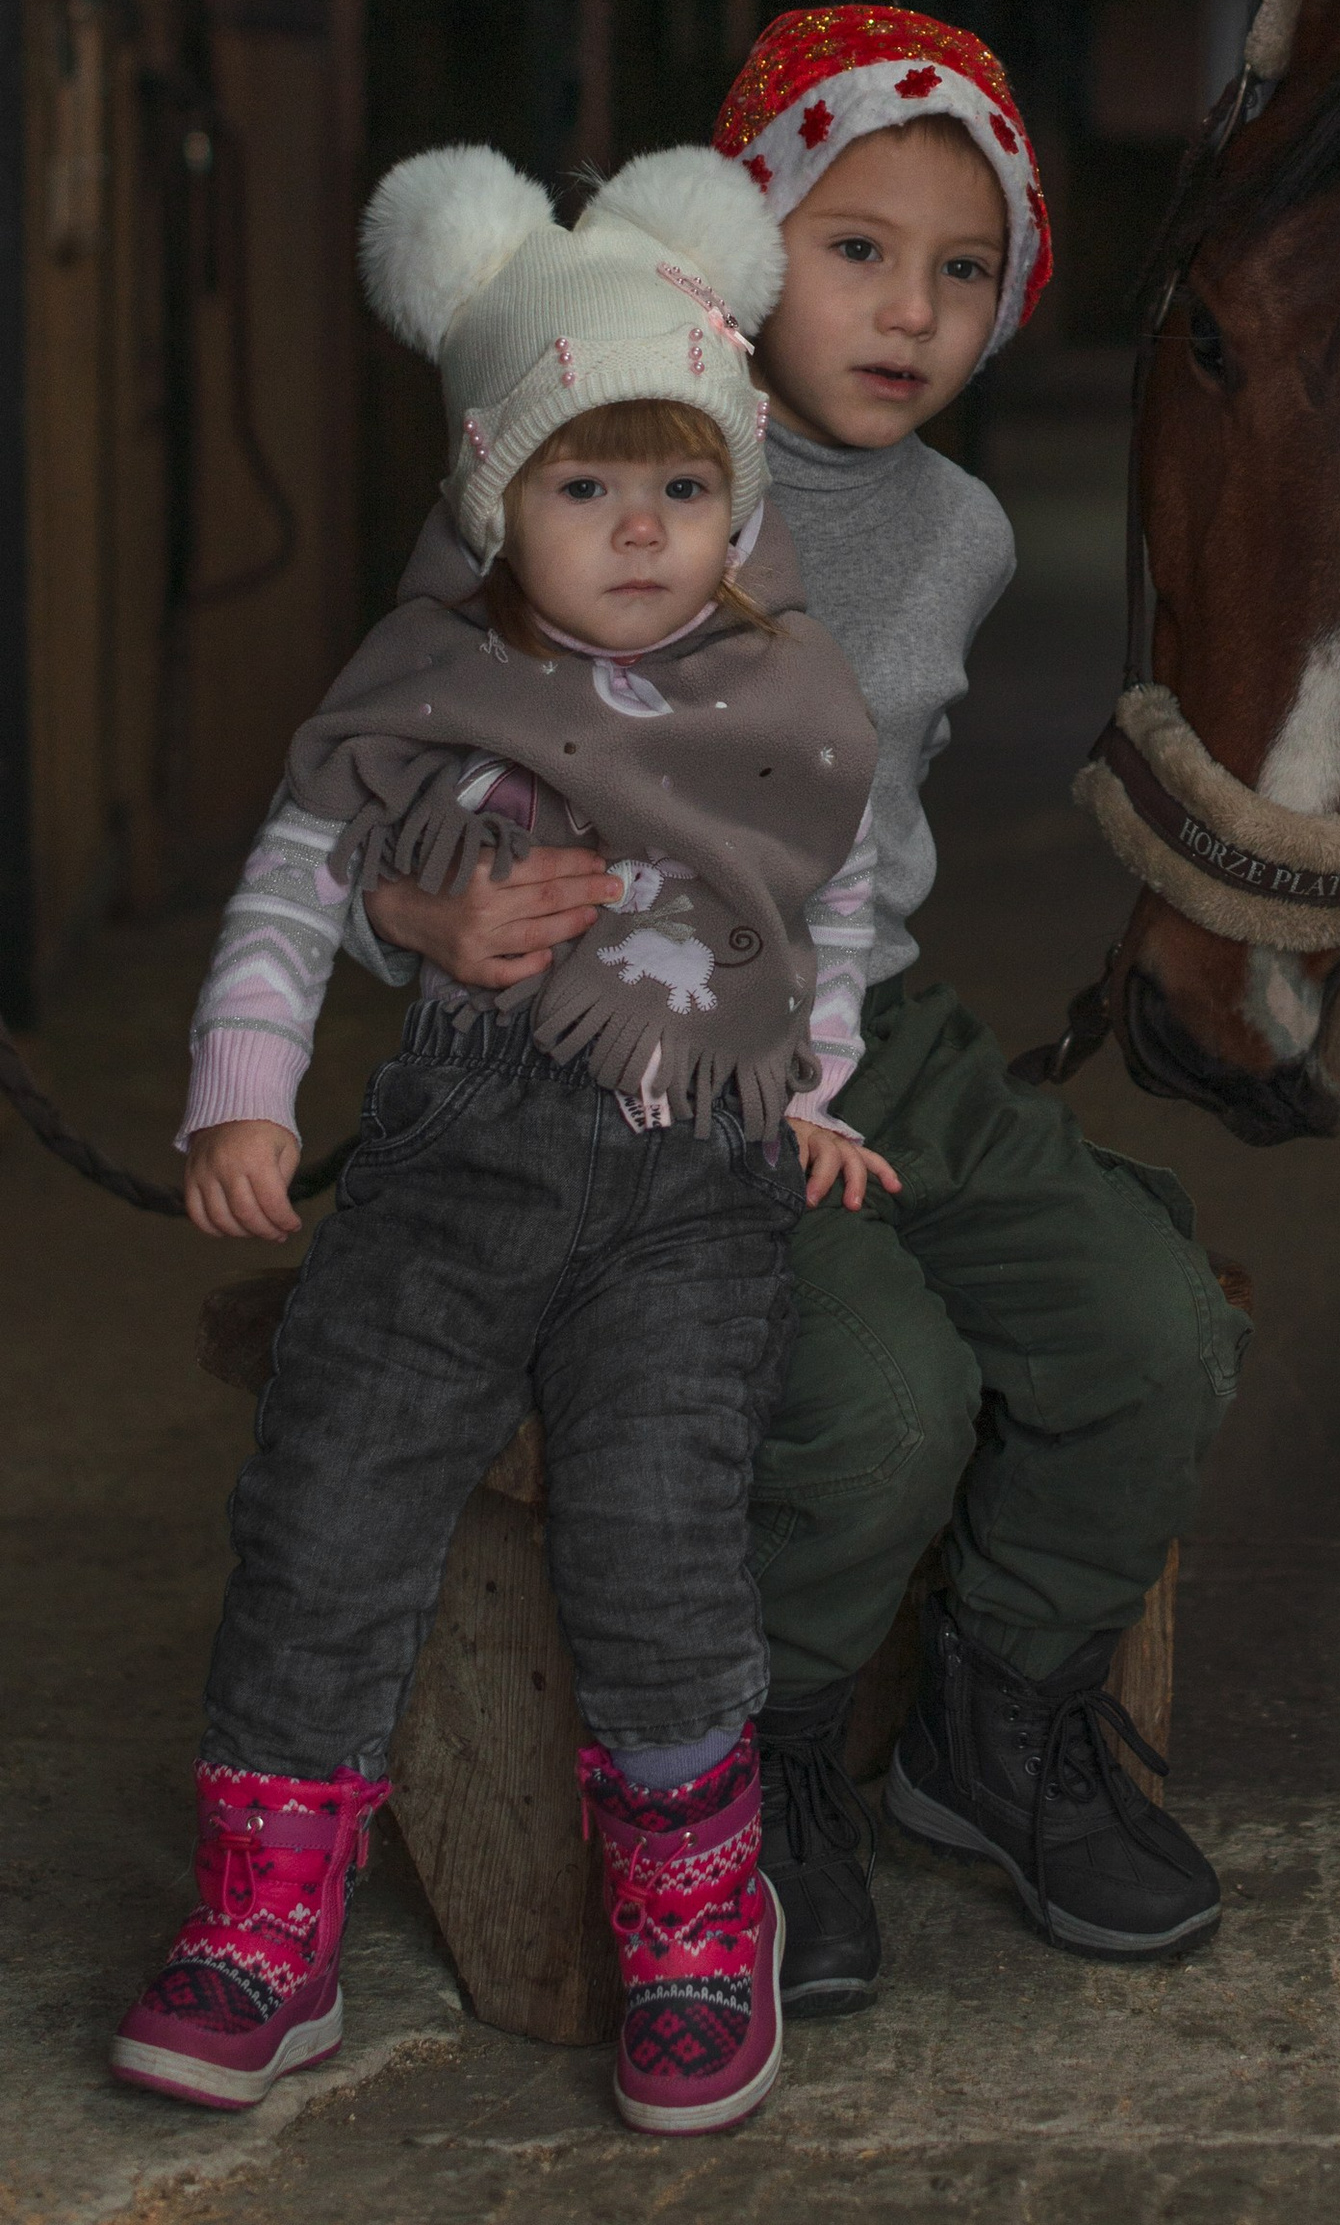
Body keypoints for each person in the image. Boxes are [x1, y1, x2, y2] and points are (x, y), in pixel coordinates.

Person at [366, 9, 1248, 2010]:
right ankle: (759, 1758)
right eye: (856, 249)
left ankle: (996, 1720)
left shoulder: (958, 532)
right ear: (741, 238)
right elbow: (378, 790)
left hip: (875, 1025)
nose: (909, 311)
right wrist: (425, 919)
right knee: (878, 1401)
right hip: (623, 1053)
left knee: (1149, 1328)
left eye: (964, 269)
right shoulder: (575, 447)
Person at [113, 146, 890, 2140]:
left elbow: (833, 893)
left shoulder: (784, 695)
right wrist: (247, 1087)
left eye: (682, 488)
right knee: (330, 1489)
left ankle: (699, 1916)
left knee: (655, 1528)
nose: (637, 531)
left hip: (689, 1182)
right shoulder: (432, 680)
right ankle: (264, 1920)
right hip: (461, 1154)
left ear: (737, 498)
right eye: (581, 485)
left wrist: (811, 1087)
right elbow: (299, 876)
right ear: (490, 499)